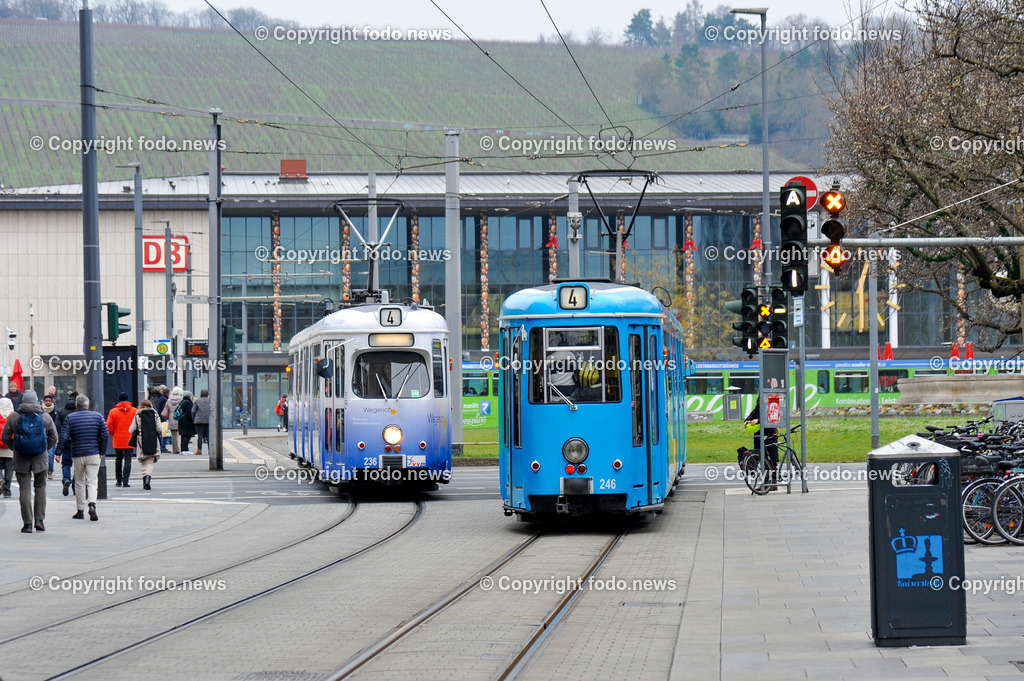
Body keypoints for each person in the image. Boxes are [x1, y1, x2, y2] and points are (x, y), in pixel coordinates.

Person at [1, 390, 58, 533]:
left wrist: (15, 447)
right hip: (40, 458)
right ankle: (39, 520)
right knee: (40, 487)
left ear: (23, 401)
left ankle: (27, 524)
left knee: (24, 490)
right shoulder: (44, 416)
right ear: (37, 400)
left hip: (21, 458)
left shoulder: (15, 416)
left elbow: (5, 436)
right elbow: (54, 437)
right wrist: (44, 447)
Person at [58, 394, 108, 521]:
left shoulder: (70, 417)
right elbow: (105, 435)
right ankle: (92, 504)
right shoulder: (97, 416)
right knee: (92, 481)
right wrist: (102, 451)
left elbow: (64, 436)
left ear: (76, 406)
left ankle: (80, 510)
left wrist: (58, 452)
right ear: (88, 405)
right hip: (93, 453)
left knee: (79, 482)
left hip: (78, 454)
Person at [743, 397, 779, 488]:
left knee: (772, 458)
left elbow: (770, 416)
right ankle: (766, 482)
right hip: (759, 435)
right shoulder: (759, 405)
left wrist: (758, 420)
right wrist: (747, 420)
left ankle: (772, 482)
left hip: (770, 433)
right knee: (762, 458)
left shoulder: (772, 403)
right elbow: (752, 414)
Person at [106, 392, 137, 487]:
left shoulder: (113, 411)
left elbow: (109, 426)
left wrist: (114, 434)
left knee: (118, 459)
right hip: (130, 438)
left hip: (118, 438)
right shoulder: (135, 411)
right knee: (128, 459)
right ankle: (126, 481)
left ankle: (118, 480)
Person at [129, 400, 161, 490]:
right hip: (152, 439)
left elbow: (131, 430)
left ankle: (144, 481)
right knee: (150, 461)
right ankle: (148, 479)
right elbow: (159, 428)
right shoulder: (155, 414)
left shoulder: (137, 414)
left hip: (141, 440)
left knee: (143, 460)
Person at [53, 392, 77, 497]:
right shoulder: (79, 411)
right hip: (77, 443)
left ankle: (66, 479)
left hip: (66, 442)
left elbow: (57, 425)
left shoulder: (62, 411)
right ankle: (76, 487)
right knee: (78, 466)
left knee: (66, 464)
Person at [161, 387, 184, 454]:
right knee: (181, 434)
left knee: (174, 435)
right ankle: (180, 448)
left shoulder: (169, 399)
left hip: (172, 418)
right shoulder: (181, 399)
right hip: (180, 418)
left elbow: (166, 408)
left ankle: (175, 449)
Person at [0, 398, 14, 498]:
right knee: (9, 470)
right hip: (10, 448)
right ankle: (7, 491)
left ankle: (0, 479)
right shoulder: (13, 416)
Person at [42, 394, 58, 479]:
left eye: (49, 401)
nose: (48, 403)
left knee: (51, 455)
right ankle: (43, 470)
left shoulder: (55, 412)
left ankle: (50, 471)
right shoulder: (40, 411)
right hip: (42, 435)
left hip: (51, 435)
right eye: (46, 401)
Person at [191, 389, 210, 455]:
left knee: (200, 436)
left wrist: (194, 418)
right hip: (208, 420)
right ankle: (210, 450)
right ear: (208, 394)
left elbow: (193, 411)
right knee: (208, 436)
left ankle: (199, 450)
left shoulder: (197, 401)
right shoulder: (210, 401)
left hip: (199, 420)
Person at [156, 386, 170, 453]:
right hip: (163, 418)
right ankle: (162, 447)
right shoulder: (165, 399)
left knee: (162, 433)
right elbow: (165, 410)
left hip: (160, 417)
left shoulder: (161, 398)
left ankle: (161, 446)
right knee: (164, 434)